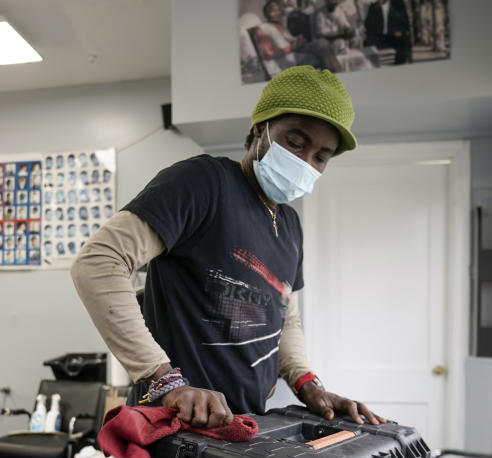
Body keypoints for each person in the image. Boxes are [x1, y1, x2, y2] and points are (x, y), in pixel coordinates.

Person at [71, 65, 382, 433]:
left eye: (320, 156)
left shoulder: (290, 225)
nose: (305, 162)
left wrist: (309, 385)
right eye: (295, 143)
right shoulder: (204, 183)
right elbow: (98, 261)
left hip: (244, 427)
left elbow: (287, 317)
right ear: (259, 130)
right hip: (176, 428)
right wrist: (164, 379)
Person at [365, 0, 412, 64]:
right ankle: (374, 66)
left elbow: (405, 22)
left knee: (402, 44)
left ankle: (398, 67)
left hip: (394, 36)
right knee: (368, 41)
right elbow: (368, 24)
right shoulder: (374, 6)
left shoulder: (398, 4)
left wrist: (401, 31)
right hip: (379, 36)